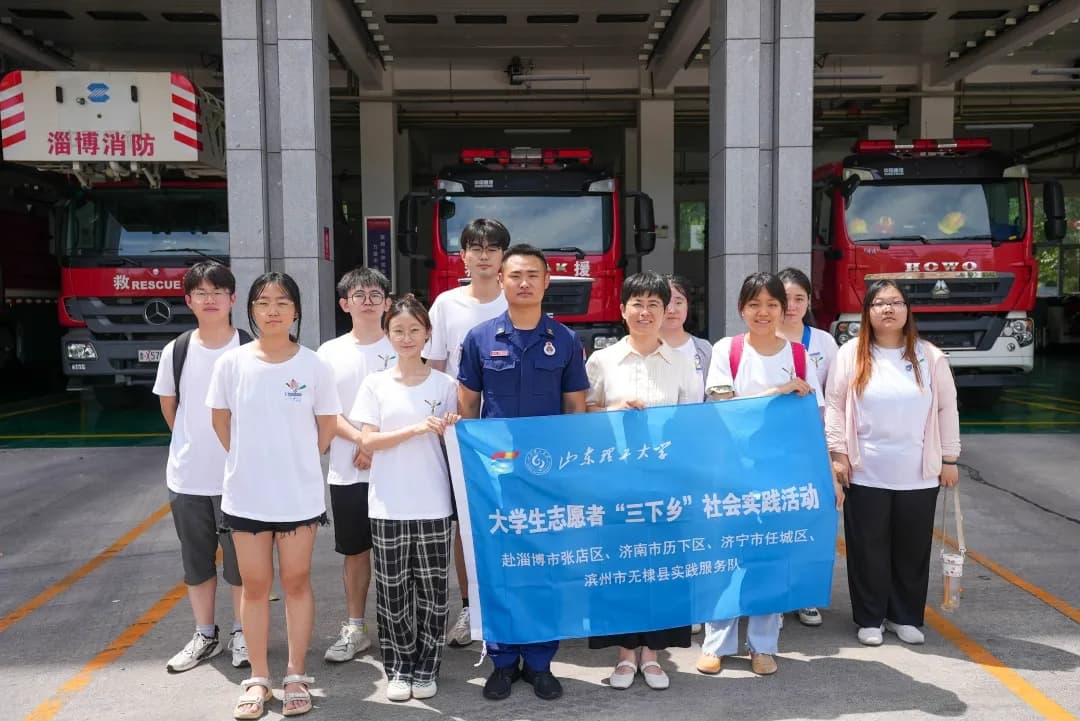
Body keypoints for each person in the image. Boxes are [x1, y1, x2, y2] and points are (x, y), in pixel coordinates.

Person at [458, 243, 589, 702]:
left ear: (547, 281)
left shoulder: (565, 340)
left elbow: (575, 407)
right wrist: (473, 466)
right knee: (498, 567)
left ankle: (539, 661)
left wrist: (568, 472)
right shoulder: (479, 338)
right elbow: (468, 407)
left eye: (533, 275)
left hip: (546, 476)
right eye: (515, 275)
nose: (524, 282)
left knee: (543, 567)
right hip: (496, 476)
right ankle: (501, 660)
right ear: (501, 281)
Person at [207, 272, 340, 719]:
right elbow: (221, 421)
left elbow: (326, 426)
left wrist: (295, 460)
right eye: (263, 303)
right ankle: (259, 677)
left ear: (296, 310)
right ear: (251, 310)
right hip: (246, 495)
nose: (273, 311)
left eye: (283, 302)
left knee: (297, 582)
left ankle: (296, 674)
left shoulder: (314, 366)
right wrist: (250, 461)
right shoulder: (232, 364)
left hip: (298, 496)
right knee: (255, 586)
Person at [698, 272, 826, 677]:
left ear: (784, 309)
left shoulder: (800, 356)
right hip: (731, 474)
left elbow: (814, 417)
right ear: (741, 309)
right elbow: (723, 404)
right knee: (724, 559)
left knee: (771, 559)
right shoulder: (728, 349)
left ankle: (763, 645)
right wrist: (776, 393)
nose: (763, 312)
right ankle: (716, 644)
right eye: (754, 304)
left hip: (781, 479)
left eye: (772, 304)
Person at [824, 280, 960, 647]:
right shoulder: (850, 354)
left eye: (896, 302)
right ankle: (870, 618)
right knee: (867, 548)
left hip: (918, 473)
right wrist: (837, 453)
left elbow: (947, 408)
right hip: (866, 470)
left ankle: (905, 616)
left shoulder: (929, 356)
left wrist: (950, 457)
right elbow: (835, 405)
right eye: (880, 303)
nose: (888, 309)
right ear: (867, 312)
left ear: (907, 310)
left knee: (912, 549)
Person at [585, 271, 701, 690]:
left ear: (666, 310)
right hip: (615, 482)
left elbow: (693, 421)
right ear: (622, 310)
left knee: (661, 566)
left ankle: (652, 654)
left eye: (655, 304)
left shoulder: (683, 362)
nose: (646, 312)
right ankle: (624, 654)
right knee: (620, 566)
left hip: (665, 482)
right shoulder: (602, 361)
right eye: (637, 303)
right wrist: (611, 410)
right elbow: (581, 416)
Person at [351, 295, 460, 702]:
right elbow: (367, 440)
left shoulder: (445, 385)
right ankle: (398, 668)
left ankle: (427, 667)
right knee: (393, 592)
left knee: (433, 592)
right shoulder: (375, 384)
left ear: (428, 333)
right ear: (388, 334)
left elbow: (457, 442)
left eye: (415, 329)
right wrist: (415, 429)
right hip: (388, 504)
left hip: (433, 501)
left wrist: (451, 427)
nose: (407, 337)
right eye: (398, 330)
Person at [153, 261, 248, 672]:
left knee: (243, 566)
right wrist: (194, 445)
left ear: (233, 298)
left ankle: (244, 633)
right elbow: (170, 409)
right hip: (188, 478)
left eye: (218, 292)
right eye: (201, 293)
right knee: (196, 562)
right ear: (188, 300)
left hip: (240, 479)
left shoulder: (249, 349)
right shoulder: (176, 351)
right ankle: (205, 635)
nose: (210, 300)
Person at [423, 217, 510, 648]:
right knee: (467, 524)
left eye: (492, 248)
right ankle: (469, 605)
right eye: (476, 248)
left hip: (509, 429)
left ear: (503, 257)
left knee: (510, 519)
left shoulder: (516, 298)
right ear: (463, 256)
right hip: (462, 429)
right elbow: (436, 369)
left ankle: (510, 606)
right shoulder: (446, 304)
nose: (484, 255)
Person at [316, 267, 397, 665]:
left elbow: (407, 403)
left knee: (398, 553)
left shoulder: (401, 344)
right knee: (355, 551)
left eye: (375, 294)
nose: (367, 300)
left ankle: (399, 630)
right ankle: (356, 627)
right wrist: (362, 440)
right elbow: (326, 411)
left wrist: (375, 445)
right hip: (347, 470)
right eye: (359, 294)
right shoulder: (328, 353)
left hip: (398, 468)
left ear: (387, 302)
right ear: (344, 304)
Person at [777, 266, 839, 628]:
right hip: (770, 450)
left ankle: (804, 595)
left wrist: (833, 451)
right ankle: (774, 594)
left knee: (808, 521)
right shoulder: (760, 340)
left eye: (799, 298)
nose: (791, 306)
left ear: (808, 302)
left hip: (811, 447)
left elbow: (834, 396)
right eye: (785, 298)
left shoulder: (823, 343)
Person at [660, 274, 712, 397]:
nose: (672, 310)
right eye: (665, 303)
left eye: (678, 302)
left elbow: (712, 396)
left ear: (687, 305)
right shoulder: (644, 348)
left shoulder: (703, 349)